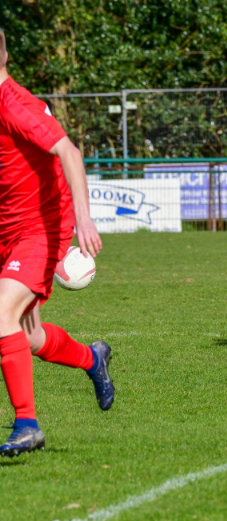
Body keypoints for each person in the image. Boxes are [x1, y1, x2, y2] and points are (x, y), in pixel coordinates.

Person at [0, 28, 115, 457]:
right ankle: (92, 358)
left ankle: (27, 424)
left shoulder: (15, 104)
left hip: (40, 228)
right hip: (7, 231)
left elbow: (70, 152)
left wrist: (83, 219)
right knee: (27, 338)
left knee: (1, 314)